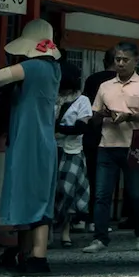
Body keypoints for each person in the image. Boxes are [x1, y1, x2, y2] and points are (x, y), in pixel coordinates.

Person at [0, 17, 61, 275]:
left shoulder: (31, 67)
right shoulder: (55, 69)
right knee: (39, 196)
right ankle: (32, 255)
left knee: (28, 195)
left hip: (27, 139)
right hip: (44, 138)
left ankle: (35, 257)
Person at [84, 40, 139, 252]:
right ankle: (100, 238)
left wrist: (129, 116)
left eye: (125, 59)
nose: (120, 63)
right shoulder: (105, 86)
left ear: (136, 61)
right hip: (107, 144)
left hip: (135, 144)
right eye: (117, 59)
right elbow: (93, 116)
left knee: (137, 193)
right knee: (102, 194)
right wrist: (102, 115)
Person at [52, 69, 92, 249]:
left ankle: (65, 231)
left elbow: (81, 128)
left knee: (67, 191)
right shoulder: (52, 98)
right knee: (51, 192)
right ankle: (49, 232)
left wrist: (59, 129)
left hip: (72, 151)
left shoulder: (82, 101)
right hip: (52, 149)